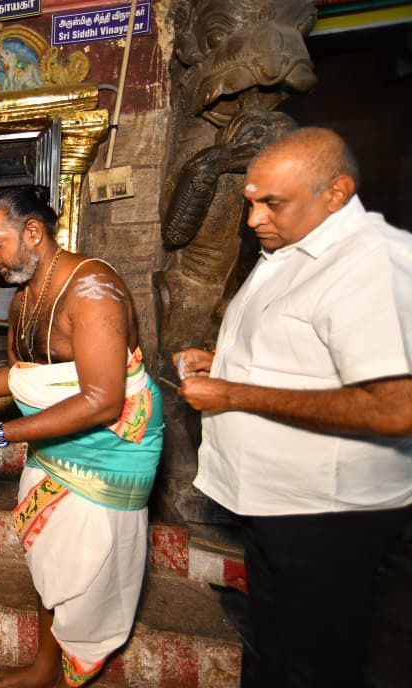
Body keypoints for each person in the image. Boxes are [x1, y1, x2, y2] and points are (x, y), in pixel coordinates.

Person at [175, 127, 412, 688]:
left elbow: (395, 407)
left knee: (315, 666)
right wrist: (224, 363)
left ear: (336, 192)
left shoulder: (371, 262)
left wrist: (233, 394)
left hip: (328, 514)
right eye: (250, 201)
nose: (253, 218)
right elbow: (307, 354)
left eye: (271, 203)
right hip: (280, 506)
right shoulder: (295, 247)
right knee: (275, 650)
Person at [0, 188, 163, 688]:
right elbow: (23, 373)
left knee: (89, 573)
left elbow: (102, 401)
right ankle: (43, 666)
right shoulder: (22, 300)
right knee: (50, 558)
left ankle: (75, 667)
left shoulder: (93, 289)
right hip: (54, 448)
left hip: (107, 450)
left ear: (33, 232)